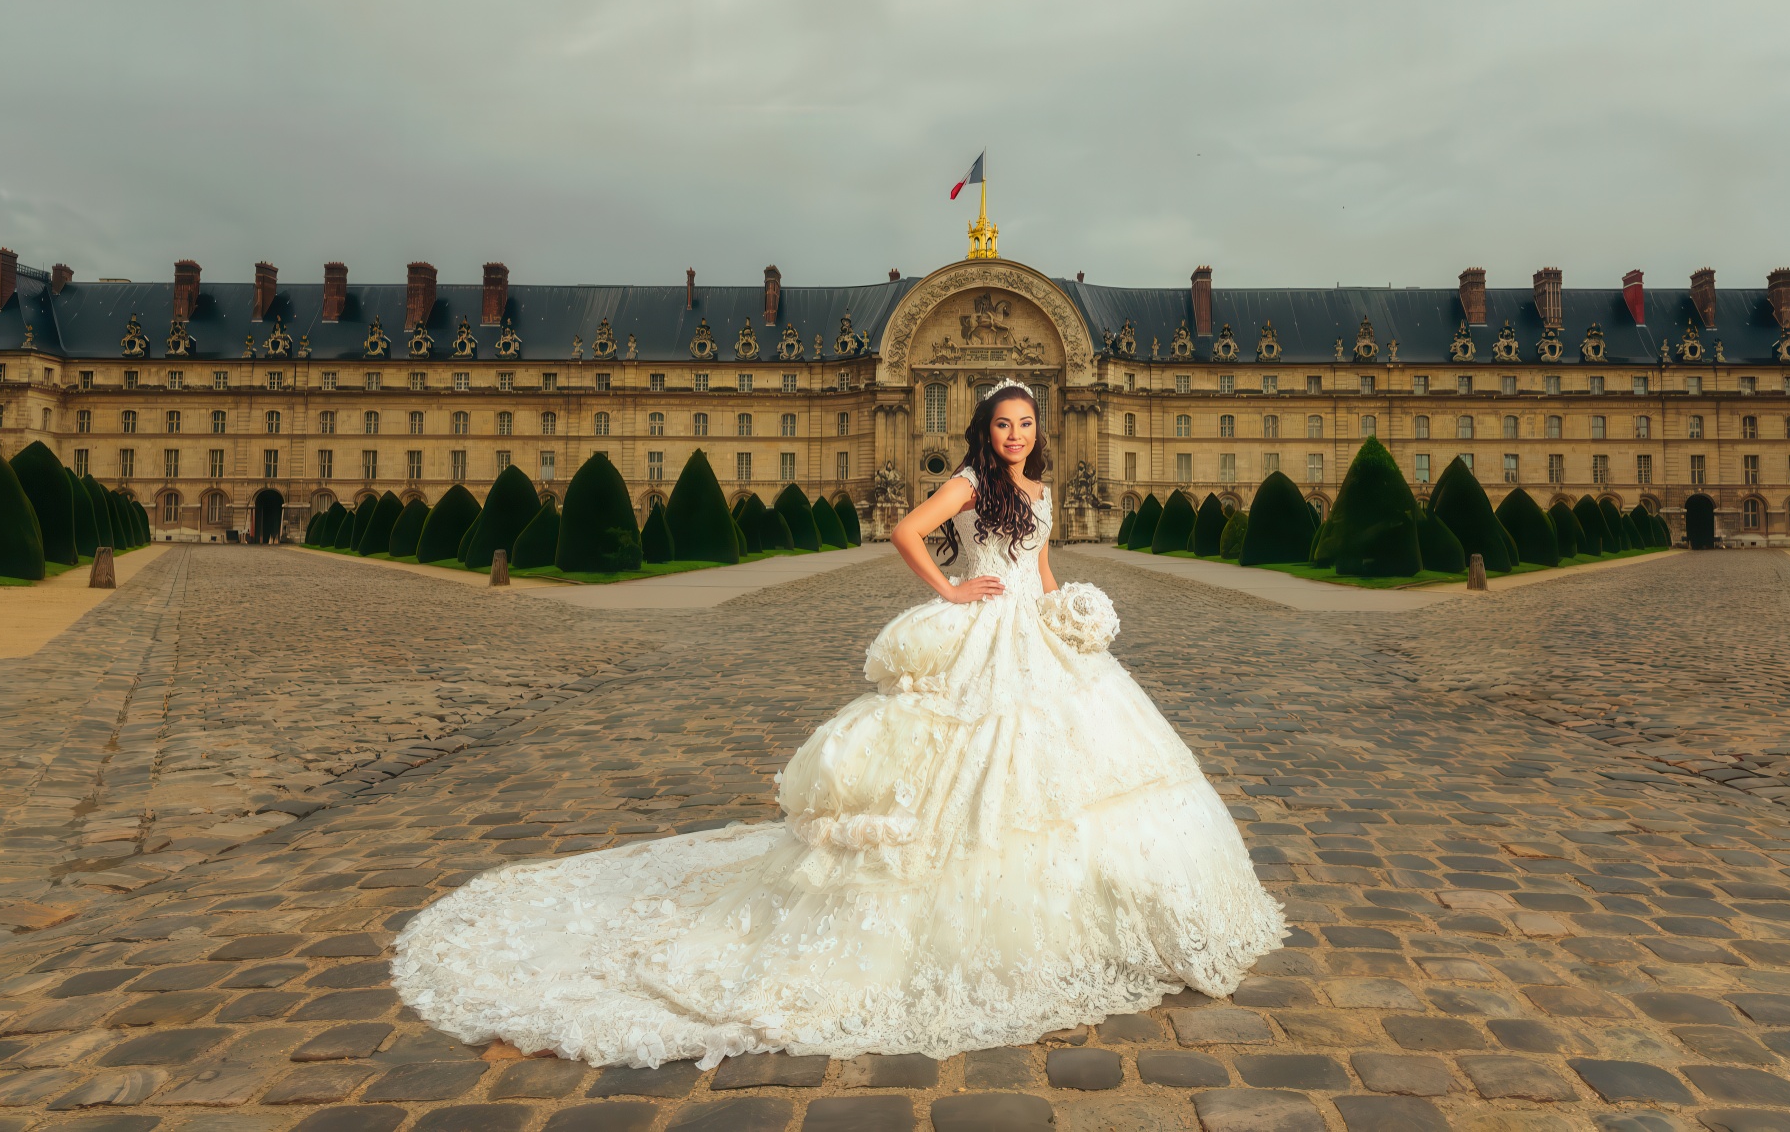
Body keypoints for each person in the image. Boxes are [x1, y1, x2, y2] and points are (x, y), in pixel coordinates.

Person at [392, 379, 1284, 1068]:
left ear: (1040, 431)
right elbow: (908, 531)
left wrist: (1070, 619)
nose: (1017, 435)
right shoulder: (971, 479)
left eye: (1027, 423)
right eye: (1005, 423)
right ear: (986, 430)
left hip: (1036, 642)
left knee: (1072, 781)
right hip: (979, 633)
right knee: (960, 777)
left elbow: (1042, 569)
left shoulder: (1040, 490)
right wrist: (950, 588)